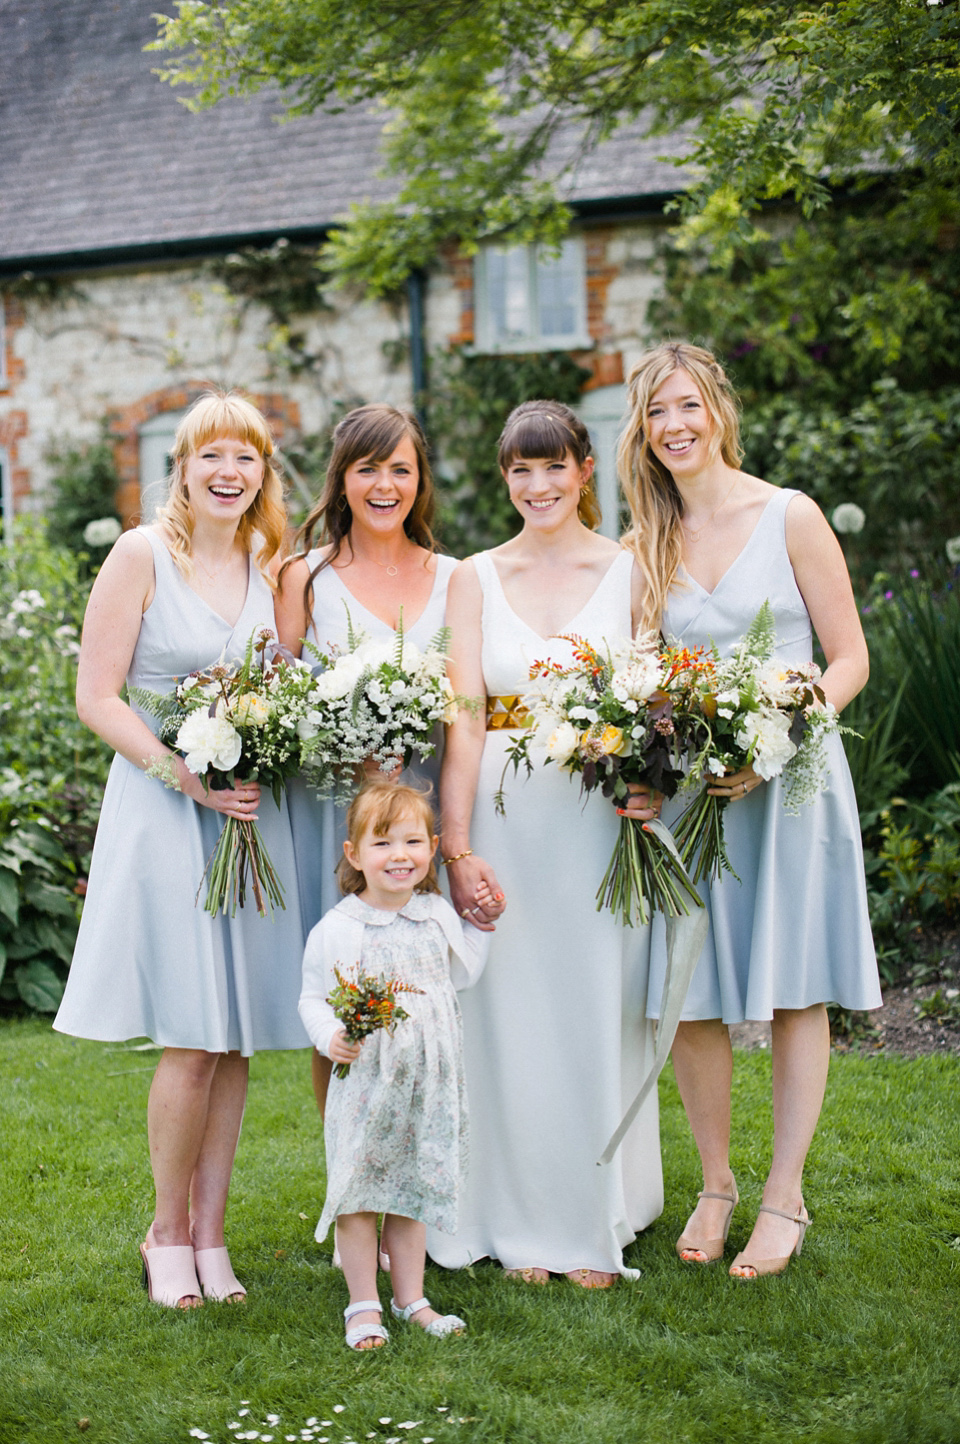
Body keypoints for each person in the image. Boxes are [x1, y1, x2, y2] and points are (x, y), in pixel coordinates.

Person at [618, 341, 881, 1278]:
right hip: (694, 799)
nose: (675, 427)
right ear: (641, 433)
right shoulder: (645, 542)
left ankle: (784, 1194)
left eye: (686, 405)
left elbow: (848, 657)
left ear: (717, 410)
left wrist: (779, 735)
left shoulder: (790, 516)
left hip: (792, 787)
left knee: (790, 984)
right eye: (656, 414)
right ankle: (718, 1182)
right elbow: (639, 680)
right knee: (691, 992)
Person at [54, 392, 309, 1309]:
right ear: (182, 467)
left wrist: (271, 740)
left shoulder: (270, 561)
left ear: (262, 474)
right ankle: (164, 1231)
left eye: (247, 458)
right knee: (194, 1036)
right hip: (169, 809)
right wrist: (183, 773)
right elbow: (98, 694)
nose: (229, 473)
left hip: (247, 812)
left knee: (234, 1038)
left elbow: (286, 683)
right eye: (212, 456)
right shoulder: (140, 555)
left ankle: (211, 1236)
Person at [430, 400, 664, 1288]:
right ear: (504, 478)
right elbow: (464, 720)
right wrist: (457, 847)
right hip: (501, 815)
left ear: (584, 471)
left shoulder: (634, 568)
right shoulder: (473, 577)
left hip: (600, 816)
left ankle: (593, 1213)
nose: (537, 487)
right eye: (520, 471)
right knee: (508, 1016)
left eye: (553, 467)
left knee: (595, 1005)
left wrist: (651, 782)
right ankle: (514, 1212)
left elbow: (655, 701)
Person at [276, 404, 463, 1116]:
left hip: (425, 813)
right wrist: (350, 752)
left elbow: (466, 699)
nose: (385, 485)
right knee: (346, 995)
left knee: (427, 991)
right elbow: (287, 702)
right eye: (367, 469)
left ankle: (421, 1173)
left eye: (400, 469)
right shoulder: (305, 577)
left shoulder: (454, 576)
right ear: (342, 479)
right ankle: (349, 1180)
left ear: (420, 481)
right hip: (338, 817)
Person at [299, 782, 497, 1349]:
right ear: (354, 854)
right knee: (361, 1189)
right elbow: (311, 997)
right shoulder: (340, 928)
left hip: (429, 1083)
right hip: (368, 1084)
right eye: (382, 843)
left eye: (413, 841)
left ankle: (413, 1298)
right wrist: (331, 1036)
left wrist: (482, 928)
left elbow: (461, 977)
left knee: (413, 1188)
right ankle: (363, 1304)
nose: (400, 855)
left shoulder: (436, 914)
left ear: (433, 847)